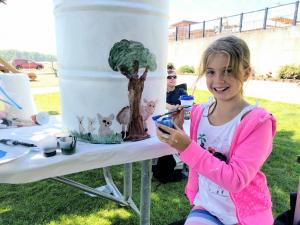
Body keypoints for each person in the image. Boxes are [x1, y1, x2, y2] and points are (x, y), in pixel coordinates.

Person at [156, 35, 277, 225]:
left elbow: (236, 180)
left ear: (246, 73)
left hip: (244, 215)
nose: (218, 80)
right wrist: (176, 133)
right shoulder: (199, 112)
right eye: (211, 72)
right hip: (207, 206)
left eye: (228, 71)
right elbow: (196, 158)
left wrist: (186, 147)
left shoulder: (258, 122)